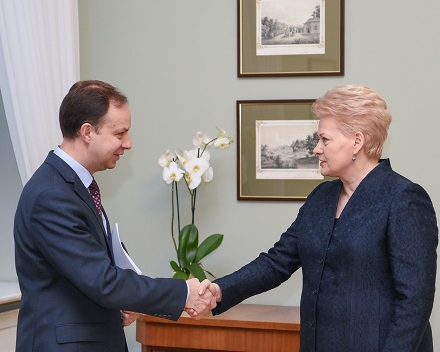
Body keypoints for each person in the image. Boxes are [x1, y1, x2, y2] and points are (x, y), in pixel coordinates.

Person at [197, 85, 438, 352]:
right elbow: (277, 262)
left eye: (325, 139)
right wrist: (220, 290)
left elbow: (415, 302)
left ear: (357, 141)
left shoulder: (404, 198)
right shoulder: (321, 197)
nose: (316, 149)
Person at [14, 80, 216, 352]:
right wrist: (184, 293)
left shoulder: (74, 186)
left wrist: (127, 300)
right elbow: (102, 281)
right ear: (87, 132)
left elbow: (88, 273)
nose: (128, 144)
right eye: (120, 133)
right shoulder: (52, 195)